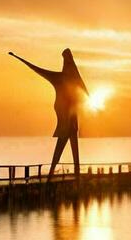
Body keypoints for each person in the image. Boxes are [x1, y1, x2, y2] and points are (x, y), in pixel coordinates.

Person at [9, 48, 88, 177]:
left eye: (67, 61)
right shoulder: (60, 78)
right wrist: (18, 58)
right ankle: (55, 173)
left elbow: (84, 93)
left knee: (69, 150)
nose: (66, 64)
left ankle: (62, 174)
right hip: (66, 121)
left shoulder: (72, 80)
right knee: (62, 149)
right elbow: (38, 69)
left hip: (71, 122)